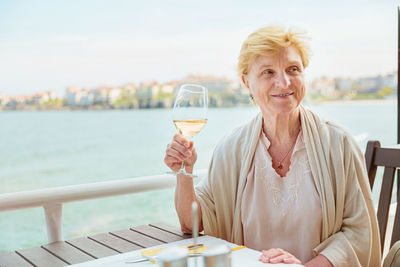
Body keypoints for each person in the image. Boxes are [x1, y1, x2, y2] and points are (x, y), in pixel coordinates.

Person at [164, 25, 381, 266]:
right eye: (268, 72)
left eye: (293, 69)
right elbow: (191, 223)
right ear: (247, 83)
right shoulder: (230, 149)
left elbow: (359, 232)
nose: (284, 81)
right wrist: (184, 172)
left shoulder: (339, 144)